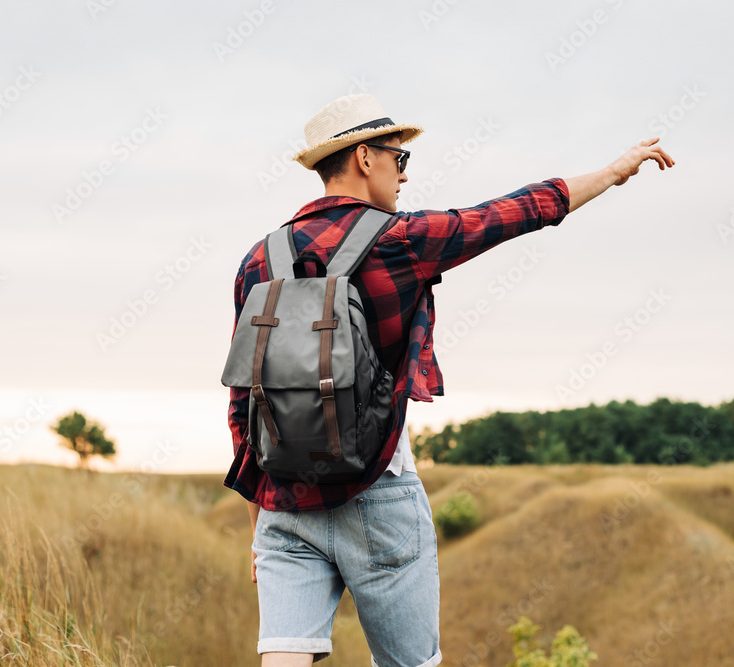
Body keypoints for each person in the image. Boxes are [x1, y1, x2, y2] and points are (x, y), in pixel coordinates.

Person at [224, 93, 675, 667]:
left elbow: (245, 398)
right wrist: (612, 173)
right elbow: (511, 213)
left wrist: (260, 521)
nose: (404, 174)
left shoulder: (257, 262)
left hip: (283, 499)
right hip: (376, 488)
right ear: (365, 158)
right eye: (399, 158)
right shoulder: (400, 240)